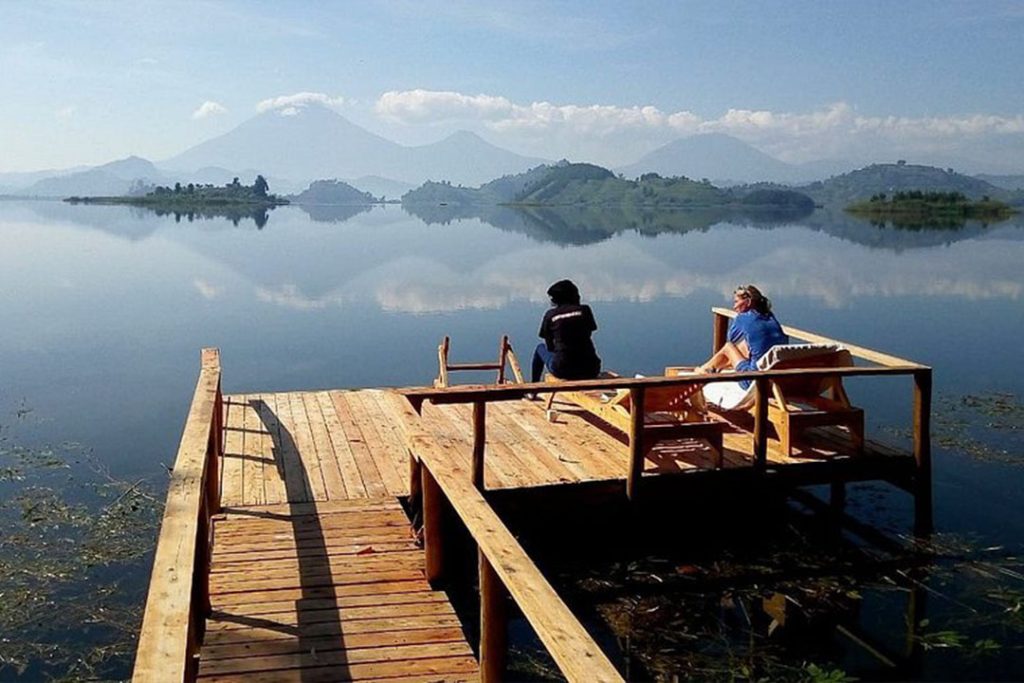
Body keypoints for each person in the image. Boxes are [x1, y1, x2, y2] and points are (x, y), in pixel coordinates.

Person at [697, 284, 788, 388]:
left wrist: (739, 319)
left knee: (728, 347)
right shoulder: (770, 317)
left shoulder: (745, 317)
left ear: (748, 302)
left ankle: (703, 371)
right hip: (776, 377)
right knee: (746, 343)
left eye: (736, 302)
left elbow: (732, 338)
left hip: (752, 379)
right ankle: (712, 368)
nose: (734, 307)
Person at [531, 279, 601, 384]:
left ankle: (533, 388)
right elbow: (588, 333)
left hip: (563, 370)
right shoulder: (585, 310)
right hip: (591, 369)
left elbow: (549, 346)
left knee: (539, 348)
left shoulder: (550, 315)